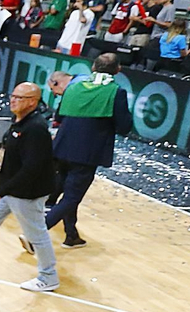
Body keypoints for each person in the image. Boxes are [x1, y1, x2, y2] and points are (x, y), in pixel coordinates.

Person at [0, 83, 59, 293]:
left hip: (27, 193)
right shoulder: (18, 122)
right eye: (13, 95)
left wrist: (2, 190)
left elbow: (32, 168)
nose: (13, 99)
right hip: (7, 189)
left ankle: (48, 276)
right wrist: (1, 188)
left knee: (36, 234)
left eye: (20, 97)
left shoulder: (35, 129)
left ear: (32, 102)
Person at [46, 55, 129, 250]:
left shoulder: (74, 87)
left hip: (62, 147)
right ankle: (38, 232)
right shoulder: (116, 92)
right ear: (118, 69)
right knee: (72, 197)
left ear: (93, 67)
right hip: (87, 152)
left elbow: (59, 116)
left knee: (66, 192)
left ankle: (71, 235)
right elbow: (124, 126)